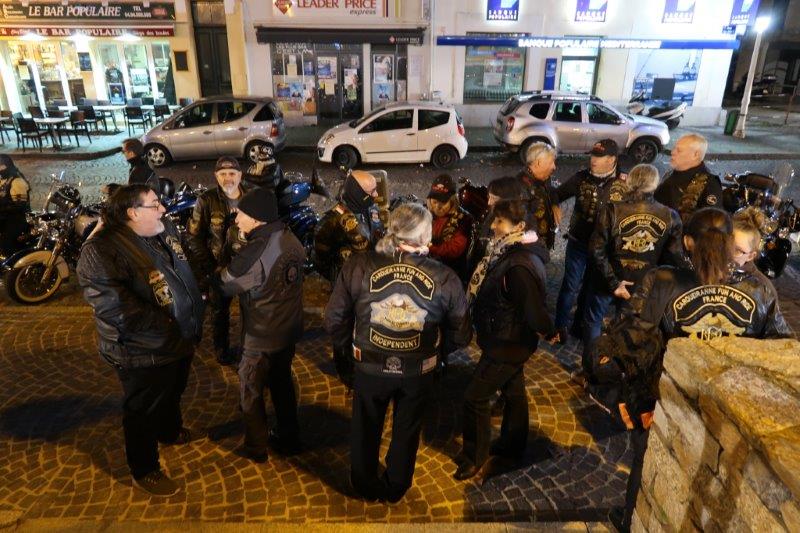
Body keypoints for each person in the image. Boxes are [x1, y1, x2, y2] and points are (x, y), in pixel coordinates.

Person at [599, 208, 792, 532]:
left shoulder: (663, 280)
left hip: (668, 397)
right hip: (726, 403)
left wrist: (626, 390)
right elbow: (781, 347)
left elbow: (633, 340)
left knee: (647, 459)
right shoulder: (760, 290)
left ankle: (632, 518)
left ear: (688, 242)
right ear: (728, 243)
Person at [324, 203, 471, 502]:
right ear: (426, 236)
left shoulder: (359, 265)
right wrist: (439, 354)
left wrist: (348, 351)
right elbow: (462, 332)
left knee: (365, 425)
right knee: (407, 429)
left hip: (370, 366)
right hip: (417, 370)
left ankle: (364, 482)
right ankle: (396, 485)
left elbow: (334, 319)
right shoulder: (445, 277)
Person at [76, 184, 204, 497]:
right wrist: (169, 324)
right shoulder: (101, 250)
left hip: (178, 337)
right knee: (143, 408)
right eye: (155, 204)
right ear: (133, 213)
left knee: (173, 389)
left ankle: (168, 430)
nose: (163, 209)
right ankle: (144, 469)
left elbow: (182, 262)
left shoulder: (161, 228)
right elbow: (116, 308)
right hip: (142, 348)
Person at [455, 199, 554, 480]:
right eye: (494, 219)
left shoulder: (517, 265)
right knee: (513, 391)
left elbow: (534, 311)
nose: (493, 226)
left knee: (475, 397)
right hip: (506, 338)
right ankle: (513, 443)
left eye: (500, 221)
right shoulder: (509, 252)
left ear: (519, 226)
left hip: (507, 344)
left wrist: (551, 330)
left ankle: (474, 458)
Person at [217, 187, 305, 463]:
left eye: (241, 214)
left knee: (251, 390)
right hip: (287, 329)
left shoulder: (255, 251)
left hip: (260, 335)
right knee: (282, 384)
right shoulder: (290, 236)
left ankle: (256, 447)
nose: (236, 219)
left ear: (256, 219)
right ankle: (290, 438)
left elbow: (226, 284)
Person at [583, 164, 685, 372]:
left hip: (607, 279)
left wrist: (614, 283)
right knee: (628, 331)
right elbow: (673, 257)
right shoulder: (671, 216)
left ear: (629, 182)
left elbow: (596, 250)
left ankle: (591, 371)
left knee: (593, 321)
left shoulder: (611, 210)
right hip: (642, 284)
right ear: (654, 184)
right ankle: (619, 373)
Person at [550, 138, 627, 345]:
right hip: (579, 243)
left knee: (592, 287)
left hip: (604, 249)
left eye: (599, 157)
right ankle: (560, 327)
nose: (593, 160)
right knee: (570, 285)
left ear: (612, 159)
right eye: (593, 155)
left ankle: (580, 326)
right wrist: (555, 205)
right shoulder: (580, 178)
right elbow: (556, 194)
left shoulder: (624, 183)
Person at [186, 156, 251, 366]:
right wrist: (210, 267)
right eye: (222, 174)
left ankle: (250, 348)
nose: (227, 178)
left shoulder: (252, 196)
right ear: (216, 176)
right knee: (219, 312)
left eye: (232, 173)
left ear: (240, 175)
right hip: (219, 268)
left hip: (247, 267)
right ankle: (222, 350)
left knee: (251, 310)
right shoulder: (206, 200)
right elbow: (193, 237)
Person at [314, 169, 383, 283]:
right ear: (359, 194)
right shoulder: (333, 220)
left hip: (373, 269)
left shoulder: (371, 207)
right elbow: (321, 258)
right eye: (372, 191)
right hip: (350, 280)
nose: (376, 194)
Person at [654, 133, 723, 223]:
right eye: (674, 148)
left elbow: (710, 223)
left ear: (695, 155)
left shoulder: (709, 184)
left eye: (679, 150)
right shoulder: (671, 172)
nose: (672, 152)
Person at [427, 174, 473, 283]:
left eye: (443, 203)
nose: (437, 207)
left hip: (452, 274)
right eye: (434, 202)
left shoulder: (463, 220)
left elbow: (455, 250)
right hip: (429, 267)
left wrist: (428, 247)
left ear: (453, 201)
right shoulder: (426, 213)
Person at [517, 142, 560, 251]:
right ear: (539, 163)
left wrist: (554, 204)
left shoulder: (543, 177)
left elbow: (551, 189)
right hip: (532, 251)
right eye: (551, 162)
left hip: (543, 247)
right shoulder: (520, 189)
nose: (554, 166)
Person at [473, 176, 525, 264]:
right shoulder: (493, 214)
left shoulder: (515, 223)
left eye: (494, 198)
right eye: (489, 197)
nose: (489, 202)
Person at [0, 155, 31, 257]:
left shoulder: (17, 181)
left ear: (6, 166)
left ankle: (10, 259)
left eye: (0, 166)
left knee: (6, 243)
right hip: (5, 216)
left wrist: (3, 208)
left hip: (17, 219)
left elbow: (19, 206)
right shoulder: (3, 178)